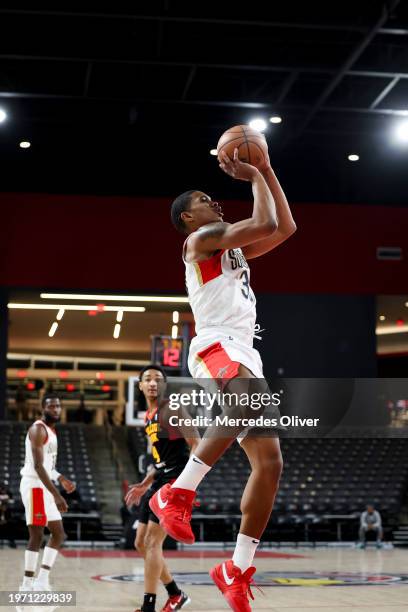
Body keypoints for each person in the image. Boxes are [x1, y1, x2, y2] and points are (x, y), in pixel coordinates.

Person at [149, 146, 296, 611]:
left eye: (214, 197)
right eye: (203, 199)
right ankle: (176, 493)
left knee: (270, 464)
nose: (214, 200)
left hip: (244, 350)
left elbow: (284, 227)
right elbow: (266, 223)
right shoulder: (202, 240)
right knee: (245, 407)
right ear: (187, 219)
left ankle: (235, 569)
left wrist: (267, 172)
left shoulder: (229, 246)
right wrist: (254, 174)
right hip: (215, 345)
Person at [125, 365, 199, 612]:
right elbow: (160, 458)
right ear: (141, 386)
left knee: (153, 542)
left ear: (164, 385)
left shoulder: (173, 408)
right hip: (159, 480)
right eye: (148, 379)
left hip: (175, 480)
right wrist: (146, 482)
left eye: (158, 379)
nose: (153, 383)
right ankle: (176, 594)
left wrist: (187, 484)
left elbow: (196, 443)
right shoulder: (149, 416)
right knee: (140, 543)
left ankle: (148, 607)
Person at [19, 394, 76, 591]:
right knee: (37, 534)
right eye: (51, 406)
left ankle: (42, 579)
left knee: (59, 534)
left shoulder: (52, 432)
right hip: (34, 485)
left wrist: (61, 478)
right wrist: (57, 494)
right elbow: (37, 466)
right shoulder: (38, 429)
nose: (56, 409)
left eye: (58, 406)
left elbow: (47, 466)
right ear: (42, 407)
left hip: (44, 485)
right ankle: (26, 584)